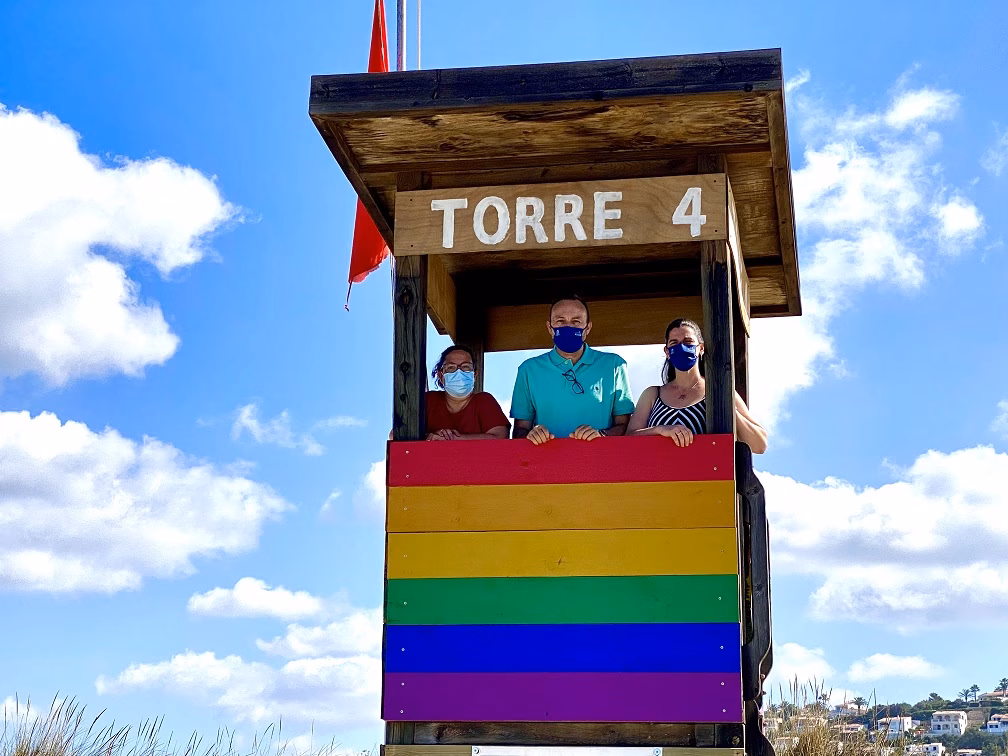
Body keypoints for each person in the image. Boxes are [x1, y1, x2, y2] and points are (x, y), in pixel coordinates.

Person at [626, 318, 768, 453]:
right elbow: (628, 438)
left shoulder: (718, 391)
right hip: (660, 476)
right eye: (674, 343)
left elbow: (760, 445)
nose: (681, 347)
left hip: (709, 476)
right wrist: (660, 430)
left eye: (688, 342)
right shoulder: (653, 394)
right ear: (667, 352)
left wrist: (731, 409)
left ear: (700, 348)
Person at [511, 296, 634, 445]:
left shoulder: (615, 365)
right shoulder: (528, 370)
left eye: (576, 321)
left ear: (587, 328)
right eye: (560, 321)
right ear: (550, 328)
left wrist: (600, 434)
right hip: (546, 463)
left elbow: (626, 427)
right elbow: (519, 430)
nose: (568, 326)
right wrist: (533, 434)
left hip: (600, 462)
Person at [426, 344, 510, 440]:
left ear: (474, 375)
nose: (459, 372)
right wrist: (431, 436)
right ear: (441, 376)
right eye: (451, 367)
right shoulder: (428, 401)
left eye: (465, 367)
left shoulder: (484, 401)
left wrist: (452, 439)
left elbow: (500, 438)